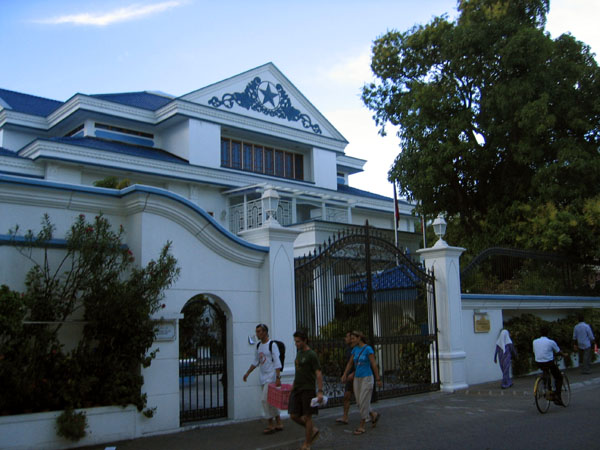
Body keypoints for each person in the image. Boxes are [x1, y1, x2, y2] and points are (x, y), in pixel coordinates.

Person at [243, 324, 283, 434]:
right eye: (256, 331)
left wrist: (278, 377)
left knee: (264, 400)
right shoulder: (258, 346)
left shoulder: (272, 345)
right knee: (271, 401)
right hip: (263, 377)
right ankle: (279, 422)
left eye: (259, 331)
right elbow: (256, 361)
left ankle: (270, 424)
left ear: (265, 332)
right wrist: (247, 373)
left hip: (271, 377)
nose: (257, 334)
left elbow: (277, 362)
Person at [341, 330, 382, 435]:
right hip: (357, 379)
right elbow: (350, 363)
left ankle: (362, 425)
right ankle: (373, 414)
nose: (351, 340)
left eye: (353, 338)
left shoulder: (368, 349)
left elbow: (373, 364)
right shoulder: (355, 349)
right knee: (359, 402)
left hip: (367, 378)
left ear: (359, 338)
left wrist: (378, 378)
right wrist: (345, 374)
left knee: (363, 401)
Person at [288, 330, 323, 450]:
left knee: (308, 417)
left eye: (298, 341)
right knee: (293, 415)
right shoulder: (299, 353)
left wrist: (320, 391)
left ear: (305, 341)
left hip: (308, 389)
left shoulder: (311, 355)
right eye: (295, 341)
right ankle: (313, 429)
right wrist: (293, 385)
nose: (296, 344)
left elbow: (318, 373)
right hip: (297, 388)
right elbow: (298, 371)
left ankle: (307, 443)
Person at [533, 324, 565, 407]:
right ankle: (557, 396)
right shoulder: (551, 342)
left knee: (546, 372)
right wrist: (564, 354)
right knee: (559, 377)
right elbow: (558, 351)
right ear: (548, 333)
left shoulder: (535, 342)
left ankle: (547, 387)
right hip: (548, 362)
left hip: (538, 362)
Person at [336, 331, 355, 425]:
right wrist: (345, 374)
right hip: (349, 376)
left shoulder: (356, 349)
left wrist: (353, 373)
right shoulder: (348, 349)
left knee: (360, 398)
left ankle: (371, 414)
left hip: (357, 376)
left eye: (347, 337)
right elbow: (348, 363)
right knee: (347, 396)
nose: (345, 339)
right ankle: (345, 417)